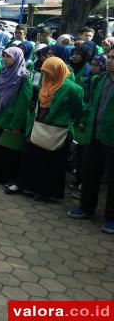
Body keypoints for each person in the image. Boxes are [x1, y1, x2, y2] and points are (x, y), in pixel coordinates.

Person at [5, 57, 83, 199]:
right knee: (31, 157)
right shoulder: (44, 83)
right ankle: (25, 185)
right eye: (44, 72)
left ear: (57, 71)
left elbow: (78, 111)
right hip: (39, 125)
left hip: (57, 131)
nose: (46, 76)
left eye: (49, 73)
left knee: (50, 163)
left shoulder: (72, 88)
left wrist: (65, 120)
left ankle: (44, 192)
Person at [67, 47, 114, 234]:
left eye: (113, 58)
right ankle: (86, 207)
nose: (109, 61)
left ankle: (111, 217)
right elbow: (92, 104)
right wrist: (84, 121)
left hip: (111, 138)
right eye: (109, 57)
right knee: (90, 172)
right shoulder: (100, 80)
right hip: (94, 134)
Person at [0, 47, 32, 184]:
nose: (5, 59)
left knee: (8, 149)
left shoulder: (24, 76)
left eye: (8, 57)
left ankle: (4, 176)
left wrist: (16, 122)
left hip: (11, 117)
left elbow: (24, 103)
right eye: (4, 56)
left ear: (17, 58)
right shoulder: (3, 71)